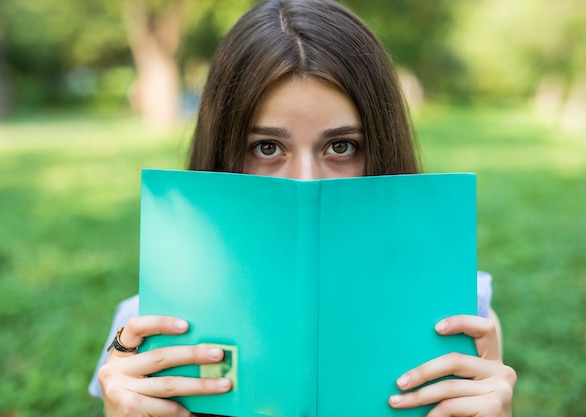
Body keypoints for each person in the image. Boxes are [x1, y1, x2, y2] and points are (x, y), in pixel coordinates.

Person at [90, 0, 517, 416]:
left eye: (341, 146)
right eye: (267, 147)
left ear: (382, 150)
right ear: (224, 154)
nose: (306, 181)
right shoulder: (145, 326)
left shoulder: (464, 315)